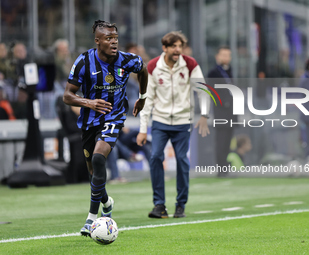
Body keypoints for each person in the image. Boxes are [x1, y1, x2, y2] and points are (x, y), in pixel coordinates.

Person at [63, 20, 148, 236]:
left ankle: (92, 219)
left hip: (115, 116)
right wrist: (88, 102)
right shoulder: (83, 62)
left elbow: (143, 70)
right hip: (90, 121)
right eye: (108, 39)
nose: (113, 42)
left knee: (100, 158)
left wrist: (143, 97)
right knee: (94, 173)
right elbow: (67, 95)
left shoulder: (127, 60)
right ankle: (107, 202)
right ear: (97, 41)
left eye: (115, 38)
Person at [137, 31, 209, 219]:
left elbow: (202, 90)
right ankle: (159, 205)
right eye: (174, 46)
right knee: (155, 157)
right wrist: (143, 129)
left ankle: (180, 205)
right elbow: (146, 99)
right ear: (165, 48)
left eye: (180, 46)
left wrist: (204, 114)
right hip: (160, 121)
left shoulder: (190, 65)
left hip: (183, 122)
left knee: (182, 161)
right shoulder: (152, 67)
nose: (178, 50)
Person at [207, 46, 234, 177]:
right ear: (217, 56)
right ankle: (221, 167)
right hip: (221, 112)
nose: (226, 58)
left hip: (231, 112)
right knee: (221, 141)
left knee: (228, 141)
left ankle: (226, 166)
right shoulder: (213, 73)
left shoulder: (230, 71)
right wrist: (224, 102)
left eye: (228, 55)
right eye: (223, 55)